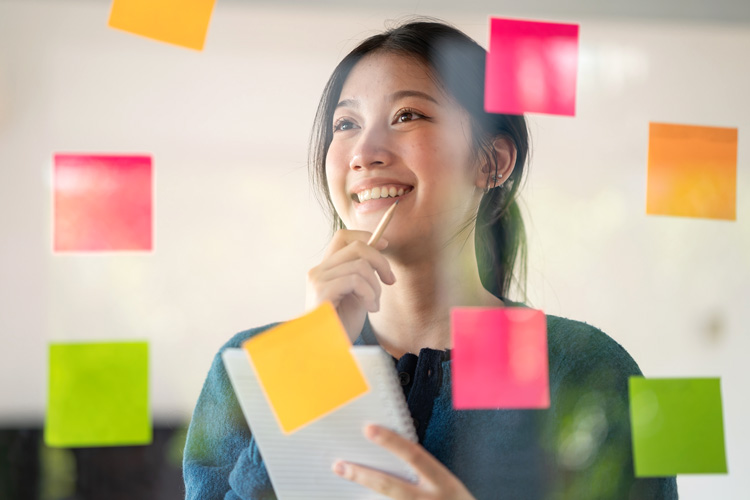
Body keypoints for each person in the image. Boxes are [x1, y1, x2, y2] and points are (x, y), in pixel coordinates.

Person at [183, 20, 678, 499]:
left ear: (492, 162)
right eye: (346, 124)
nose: (364, 152)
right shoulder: (245, 367)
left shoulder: (586, 369)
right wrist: (313, 361)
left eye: (407, 116)